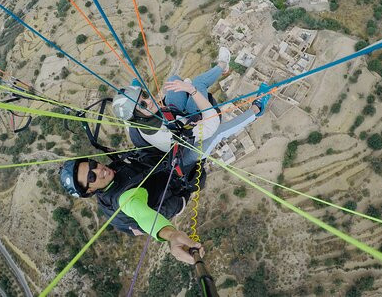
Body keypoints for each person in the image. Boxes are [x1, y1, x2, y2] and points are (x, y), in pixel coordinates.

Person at [59, 84, 272, 264]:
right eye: (92, 177)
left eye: (93, 165)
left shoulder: (111, 175)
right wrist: (172, 236)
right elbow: (145, 217)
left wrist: (133, 103)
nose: (99, 170)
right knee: (215, 134)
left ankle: (161, 112)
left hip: (154, 164)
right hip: (176, 178)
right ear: (89, 190)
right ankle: (255, 110)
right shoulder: (125, 199)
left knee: (137, 126)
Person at [111, 47, 231, 155]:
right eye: (142, 105)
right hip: (188, 124)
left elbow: (133, 97)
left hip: (171, 114)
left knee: (173, 80)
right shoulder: (167, 135)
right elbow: (211, 127)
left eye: (144, 95)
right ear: (138, 116)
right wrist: (192, 91)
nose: (149, 101)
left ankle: (186, 92)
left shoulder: (138, 121)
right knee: (198, 84)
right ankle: (223, 65)